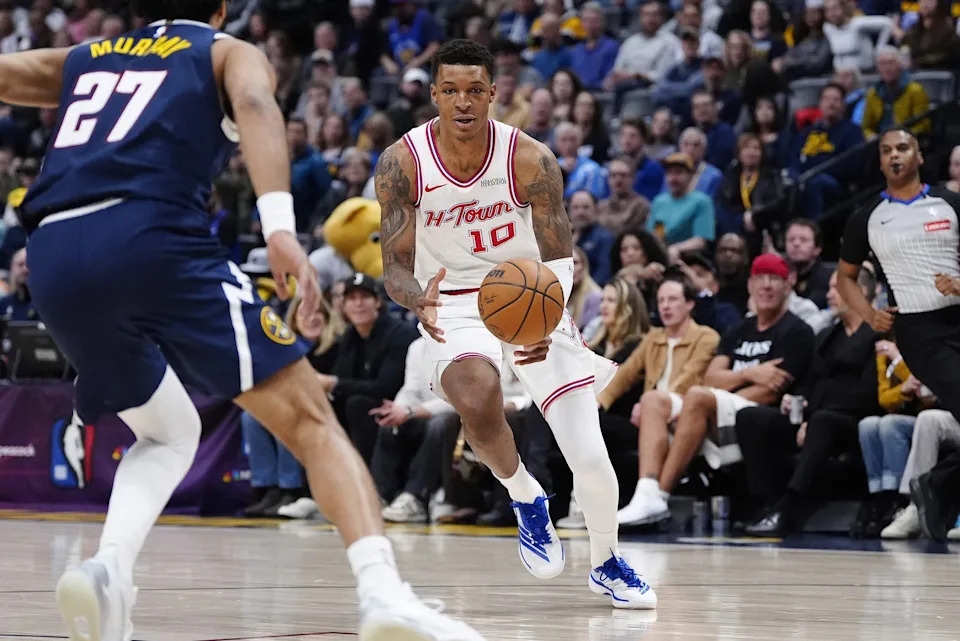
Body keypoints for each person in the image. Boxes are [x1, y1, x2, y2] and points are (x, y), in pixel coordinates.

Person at [8, 2, 486, 639]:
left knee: (169, 431)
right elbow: (260, 107)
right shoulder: (223, 51)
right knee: (312, 421)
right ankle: (384, 595)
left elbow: (8, 74)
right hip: (148, 235)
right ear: (221, 8)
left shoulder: (88, 57)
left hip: (51, 256)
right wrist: (280, 228)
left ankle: (108, 570)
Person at [377, 39, 656, 609]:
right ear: (433, 94)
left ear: (493, 94)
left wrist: (543, 319)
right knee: (476, 397)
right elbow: (395, 270)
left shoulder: (530, 158)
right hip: (450, 300)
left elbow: (560, 255)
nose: (462, 102)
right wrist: (416, 299)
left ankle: (606, 562)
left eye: (474, 90)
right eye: (450, 90)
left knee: (591, 457)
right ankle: (526, 496)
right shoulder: (401, 163)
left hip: (529, 292)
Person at [614, 254, 815, 525]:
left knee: (697, 397)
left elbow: (769, 391)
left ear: (787, 285)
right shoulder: (737, 329)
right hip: (722, 406)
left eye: (774, 279)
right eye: (760, 279)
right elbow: (711, 377)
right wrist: (749, 373)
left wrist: (719, 393)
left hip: (760, 415)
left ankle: (661, 495)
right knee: (653, 400)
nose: (766, 286)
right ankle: (645, 493)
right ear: (750, 286)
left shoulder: (796, 331)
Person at [737, 269, 879, 536]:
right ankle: (766, 502)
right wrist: (796, 403)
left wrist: (813, 417)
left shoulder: (879, 334)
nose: (828, 294)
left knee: (823, 421)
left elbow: (870, 394)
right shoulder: (826, 336)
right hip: (813, 420)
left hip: (855, 422)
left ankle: (787, 506)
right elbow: (808, 383)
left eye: (837, 287)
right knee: (751, 417)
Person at [838, 128, 960, 425]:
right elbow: (844, 278)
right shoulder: (866, 217)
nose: (894, 154)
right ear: (880, 163)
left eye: (902, 147)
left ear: (918, 156)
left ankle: (935, 474)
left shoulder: (951, 203)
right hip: (918, 330)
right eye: (886, 150)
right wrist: (869, 314)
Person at [600, 278, 720, 526]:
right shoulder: (654, 337)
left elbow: (691, 376)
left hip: (685, 405)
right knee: (597, 423)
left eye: (673, 300)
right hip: (653, 409)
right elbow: (625, 373)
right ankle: (595, 504)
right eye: (661, 301)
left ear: (689, 303)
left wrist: (649, 404)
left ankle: (647, 494)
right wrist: (598, 400)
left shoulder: (706, 336)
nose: (665, 306)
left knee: (653, 400)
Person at [647, 152, 716, 262]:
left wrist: (676, 248)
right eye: (670, 173)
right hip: (660, 256)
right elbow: (652, 234)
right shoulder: (659, 201)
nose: (673, 178)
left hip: (689, 258)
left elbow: (701, 240)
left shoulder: (702, 201)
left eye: (678, 173)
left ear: (690, 175)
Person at [860, 47, 930, 140]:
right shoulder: (872, 94)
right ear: (877, 68)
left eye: (891, 63)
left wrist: (903, 137)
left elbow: (923, 124)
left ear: (899, 65)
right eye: (882, 64)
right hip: (879, 143)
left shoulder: (915, 90)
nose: (887, 68)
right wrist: (870, 135)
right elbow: (867, 127)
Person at [0, 247, 37, 321]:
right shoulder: (3, 305)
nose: (25, 269)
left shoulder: (45, 305)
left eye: (29, 265)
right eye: (20, 265)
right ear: (12, 268)